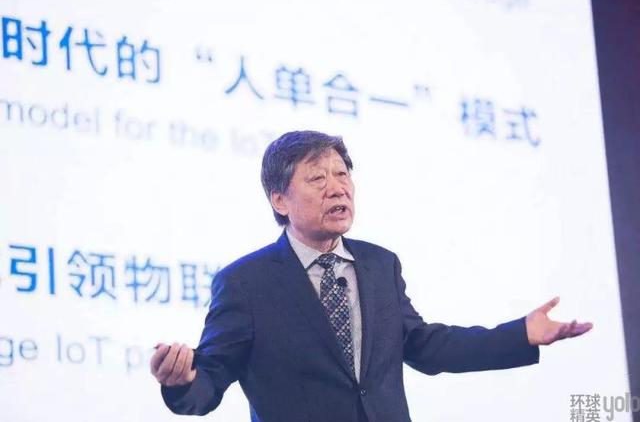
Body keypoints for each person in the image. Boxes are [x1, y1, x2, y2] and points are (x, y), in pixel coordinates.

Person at [151, 130, 592, 422]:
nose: (337, 187)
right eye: (317, 178)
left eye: (342, 174)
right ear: (280, 200)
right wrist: (182, 380)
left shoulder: (380, 265)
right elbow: (210, 380)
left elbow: (425, 346)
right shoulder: (246, 283)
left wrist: (520, 334)